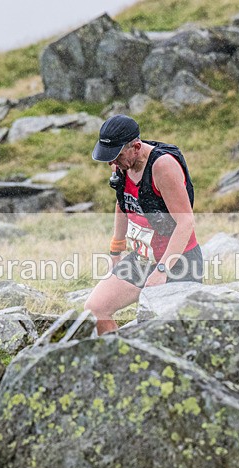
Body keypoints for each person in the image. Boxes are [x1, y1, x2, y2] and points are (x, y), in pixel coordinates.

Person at [84, 114, 203, 334]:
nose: (112, 163)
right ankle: (117, 360)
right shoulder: (121, 165)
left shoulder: (163, 166)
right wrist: (115, 252)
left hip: (178, 262)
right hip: (142, 259)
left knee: (159, 331)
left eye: (116, 156)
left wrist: (162, 270)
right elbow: (123, 204)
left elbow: (186, 221)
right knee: (95, 309)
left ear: (136, 147)